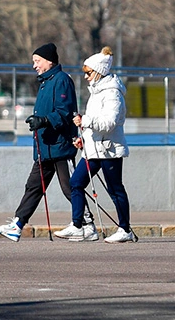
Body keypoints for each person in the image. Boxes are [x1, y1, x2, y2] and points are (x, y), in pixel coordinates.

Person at [0, 42, 92, 241]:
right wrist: (39, 121)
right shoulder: (46, 82)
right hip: (45, 146)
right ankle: (18, 224)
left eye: (37, 61)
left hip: (60, 144)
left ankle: (87, 224)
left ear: (49, 61)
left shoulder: (61, 80)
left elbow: (65, 111)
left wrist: (44, 120)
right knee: (34, 186)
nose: (34, 65)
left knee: (70, 186)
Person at [59, 46, 137, 244]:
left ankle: (125, 229)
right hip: (92, 150)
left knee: (115, 189)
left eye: (88, 72)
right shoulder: (96, 91)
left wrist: (85, 121)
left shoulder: (113, 92)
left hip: (109, 150)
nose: (85, 77)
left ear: (99, 71)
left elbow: (110, 123)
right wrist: (82, 138)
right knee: (75, 183)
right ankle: (78, 226)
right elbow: (94, 123)